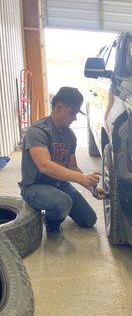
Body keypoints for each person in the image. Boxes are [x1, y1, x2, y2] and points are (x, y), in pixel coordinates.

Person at [19, 86, 107, 242]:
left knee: (89, 220)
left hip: (59, 184)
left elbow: (72, 167)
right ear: (58, 107)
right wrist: (81, 179)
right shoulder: (38, 131)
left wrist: (91, 186)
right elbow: (44, 166)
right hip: (35, 186)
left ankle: (55, 207)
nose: (74, 118)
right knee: (62, 202)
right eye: (72, 112)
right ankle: (51, 223)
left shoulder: (70, 135)